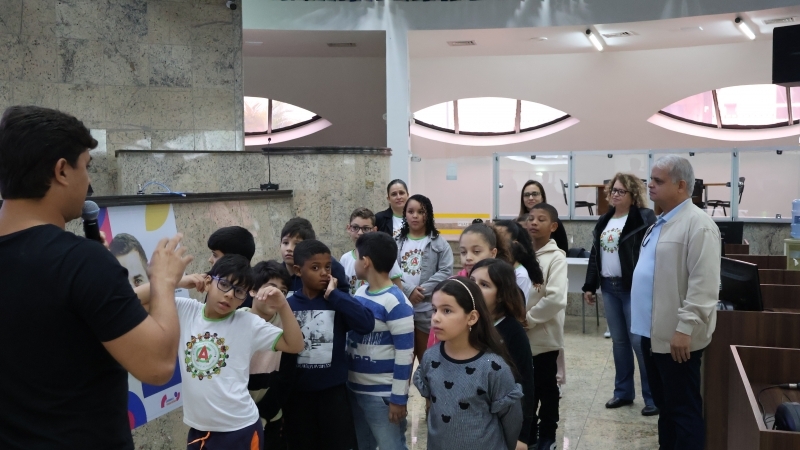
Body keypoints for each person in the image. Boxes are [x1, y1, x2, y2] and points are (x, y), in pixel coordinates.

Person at [0, 105, 191, 449]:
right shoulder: (80, 262)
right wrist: (162, 281)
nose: (88, 182)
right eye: (86, 166)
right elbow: (158, 366)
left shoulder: (80, 263)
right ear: (62, 170)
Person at [137, 255, 303, 449]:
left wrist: (283, 305)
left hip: (239, 429)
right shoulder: (186, 310)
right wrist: (176, 282)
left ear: (244, 298)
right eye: (224, 284)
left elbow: (295, 345)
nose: (230, 295)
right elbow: (130, 301)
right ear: (208, 282)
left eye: (239, 291)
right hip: (199, 428)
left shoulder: (248, 323)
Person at [631, 155, 720, 450]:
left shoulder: (699, 225)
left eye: (658, 180)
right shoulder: (661, 222)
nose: (650, 185)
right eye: (650, 179)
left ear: (681, 185)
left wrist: (685, 327)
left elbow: (704, 285)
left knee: (683, 410)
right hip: (653, 334)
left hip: (677, 338)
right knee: (665, 407)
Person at [283, 239, 375, 450]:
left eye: (327, 267)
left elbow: (366, 324)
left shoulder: (336, 301)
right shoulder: (288, 305)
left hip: (333, 394)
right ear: (298, 271)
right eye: (315, 268)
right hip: (298, 395)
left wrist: (336, 295)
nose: (324, 273)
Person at [413, 277, 523, 450]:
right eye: (434, 309)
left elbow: (511, 419)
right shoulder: (430, 358)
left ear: (471, 317)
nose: (436, 318)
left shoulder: (492, 367)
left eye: (447, 311)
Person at [581, 173, 658, 416]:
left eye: (620, 191)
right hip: (609, 287)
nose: (615, 194)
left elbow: (652, 253)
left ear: (633, 194)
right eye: (613, 190)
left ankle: (653, 396)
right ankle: (623, 392)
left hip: (633, 288)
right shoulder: (604, 220)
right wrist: (589, 285)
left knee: (638, 342)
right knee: (619, 342)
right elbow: (596, 254)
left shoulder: (643, 217)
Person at [347, 232, 415, 450]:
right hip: (355, 389)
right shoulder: (360, 292)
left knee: (391, 446)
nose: (355, 262)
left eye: (357, 256)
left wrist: (398, 398)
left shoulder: (397, 302)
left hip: (382, 396)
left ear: (366, 262)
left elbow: (405, 354)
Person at [470, 259, 536, 449]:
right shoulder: (465, 324)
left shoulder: (512, 331)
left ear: (500, 295)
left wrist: (522, 436)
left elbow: (525, 383)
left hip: (498, 422)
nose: (475, 289)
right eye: (472, 282)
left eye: (484, 285)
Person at [526, 203, 568, 450]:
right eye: (531, 218)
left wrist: (528, 319)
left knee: (547, 388)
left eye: (541, 219)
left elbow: (556, 298)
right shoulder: (521, 255)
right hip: (522, 336)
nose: (533, 222)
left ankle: (548, 435)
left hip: (544, 337)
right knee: (527, 388)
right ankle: (529, 432)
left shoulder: (556, 258)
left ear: (553, 226)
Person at [396, 194, 454, 363]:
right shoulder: (396, 243)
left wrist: (421, 291)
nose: (415, 216)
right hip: (402, 309)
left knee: (427, 361)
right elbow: (391, 272)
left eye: (420, 212)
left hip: (428, 312)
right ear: (405, 215)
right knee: (403, 362)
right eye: (411, 211)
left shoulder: (440, 243)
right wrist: (409, 290)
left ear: (428, 214)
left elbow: (446, 271)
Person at [246, 260, 297, 450]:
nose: (276, 295)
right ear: (252, 290)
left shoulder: (288, 329)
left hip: (269, 418)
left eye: (283, 292)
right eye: (271, 288)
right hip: (235, 417)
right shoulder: (235, 321)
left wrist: (263, 416)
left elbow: (285, 379)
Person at [279, 217, 349, 297]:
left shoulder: (331, 268)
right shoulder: (275, 274)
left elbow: (346, 297)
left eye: (297, 244)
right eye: (285, 243)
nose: (289, 248)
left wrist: (334, 294)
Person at [341, 207, 403, 294]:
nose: (360, 233)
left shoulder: (385, 256)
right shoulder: (345, 259)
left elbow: (398, 289)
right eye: (355, 227)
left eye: (366, 229)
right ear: (348, 228)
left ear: (374, 230)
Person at [493, 220, 544, 304]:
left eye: (500, 238)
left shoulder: (520, 274)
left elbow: (517, 306)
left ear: (515, 243)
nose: (495, 242)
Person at [207, 225, 257, 307]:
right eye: (224, 285)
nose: (210, 260)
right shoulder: (213, 281)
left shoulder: (248, 303)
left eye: (215, 255)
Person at [519, 180, 568, 253]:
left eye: (535, 194)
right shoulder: (517, 223)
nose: (530, 198)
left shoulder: (553, 221)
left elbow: (563, 250)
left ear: (542, 197)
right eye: (526, 195)